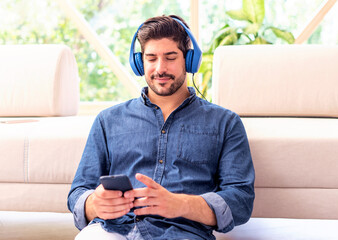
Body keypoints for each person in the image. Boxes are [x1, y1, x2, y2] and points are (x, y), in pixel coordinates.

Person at [67, 15, 255, 240]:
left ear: (189, 59)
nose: (160, 68)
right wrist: (95, 204)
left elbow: (241, 201)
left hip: (181, 234)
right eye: (151, 58)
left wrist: (181, 204)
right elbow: (78, 191)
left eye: (170, 57)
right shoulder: (108, 120)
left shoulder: (225, 123)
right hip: (111, 231)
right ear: (140, 63)